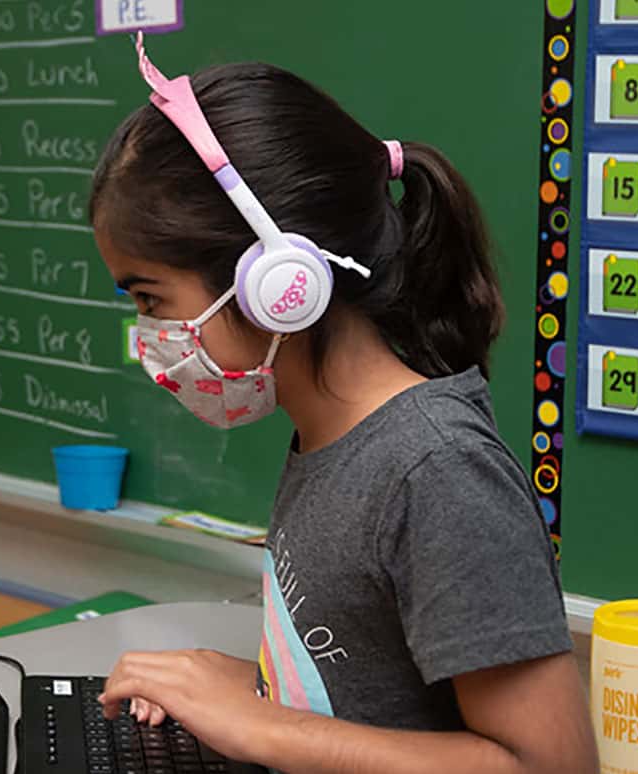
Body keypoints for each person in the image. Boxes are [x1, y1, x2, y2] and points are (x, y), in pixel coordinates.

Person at [90, 35, 598, 774]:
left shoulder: (435, 469)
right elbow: (365, 695)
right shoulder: (331, 438)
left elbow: (550, 766)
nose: (150, 336)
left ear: (277, 280)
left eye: (150, 298)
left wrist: (260, 729)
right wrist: (242, 692)